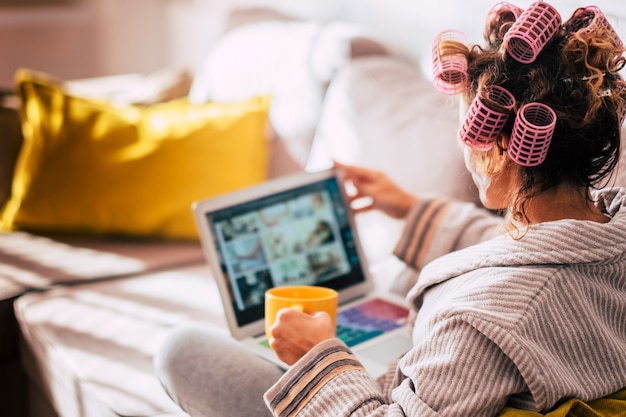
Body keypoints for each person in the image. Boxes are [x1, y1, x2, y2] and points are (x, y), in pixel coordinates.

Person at [153, 2, 626, 416]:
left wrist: (318, 355)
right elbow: (533, 253)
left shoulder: (486, 321)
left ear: (501, 151)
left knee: (181, 350)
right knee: (398, 281)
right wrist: (409, 208)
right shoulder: (611, 228)